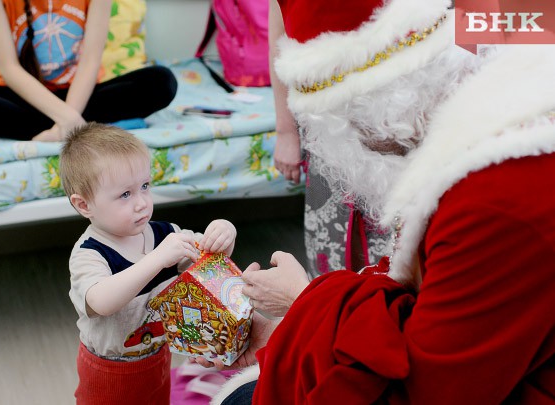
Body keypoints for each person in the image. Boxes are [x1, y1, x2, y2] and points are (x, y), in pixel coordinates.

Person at [201, 0, 555, 403]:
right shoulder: (474, 135)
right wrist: (288, 333)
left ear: (381, 98)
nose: (341, 150)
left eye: (344, 124)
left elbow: (423, 389)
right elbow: (427, 300)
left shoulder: (494, 200)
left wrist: (303, 306)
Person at [59, 122, 237, 404]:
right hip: (110, 370)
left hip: (157, 355)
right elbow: (102, 301)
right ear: (84, 205)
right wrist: (157, 258)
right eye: (125, 194)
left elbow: (210, 262)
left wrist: (223, 234)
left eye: (144, 186)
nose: (142, 202)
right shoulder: (89, 253)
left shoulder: (165, 234)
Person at [269, 0, 391, 277]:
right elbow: (279, 29)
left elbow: (482, 18)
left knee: (400, 248)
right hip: (324, 120)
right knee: (335, 248)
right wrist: (285, 129)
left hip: (406, 107)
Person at [0, 0, 177, 141]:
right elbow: (9, 68)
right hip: (21, 97)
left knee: (161, 81)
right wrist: (70, 121)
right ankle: (80, 127)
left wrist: (68, 119)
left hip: (81, 96)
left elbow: (90, 62)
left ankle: (54, 130)